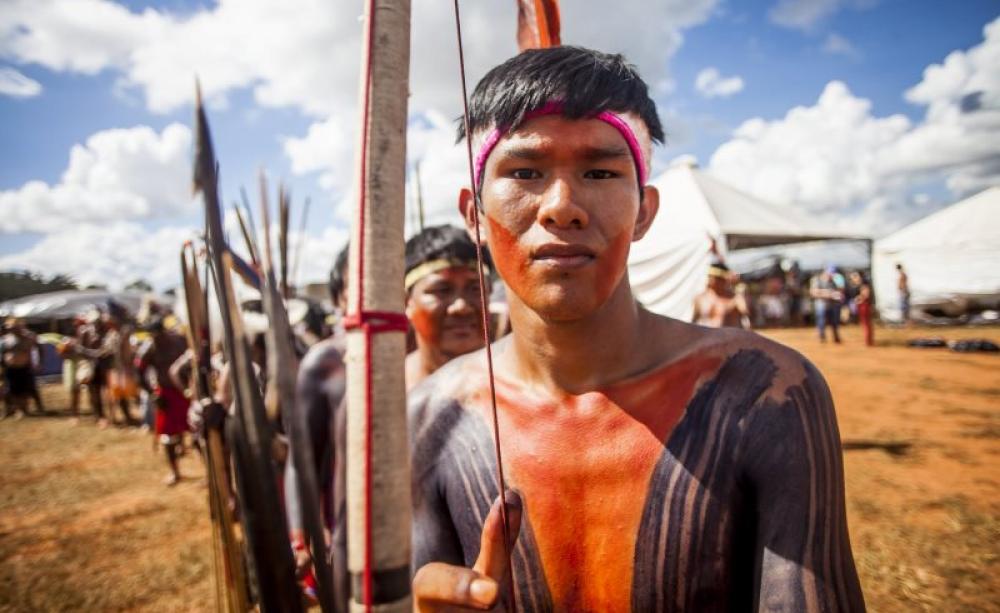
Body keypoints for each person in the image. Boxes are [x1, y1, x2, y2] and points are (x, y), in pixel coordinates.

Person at [408, 46, 864, 611]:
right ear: (474, 213)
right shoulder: (433, 415)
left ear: (645, 212)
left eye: (599, 172)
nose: (562, 207)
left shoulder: (765, 395)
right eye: (524, 171)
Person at [404, 225, 492, 389]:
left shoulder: (523, 384)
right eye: (442, 291)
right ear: (406, 302)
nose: (461, 307)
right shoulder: (388, 392)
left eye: (475, 289)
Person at [135, 316, 190, 486]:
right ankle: (175, 472)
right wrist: (152, 394)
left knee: (198, 433)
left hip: (185, 391)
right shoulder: (149, 348)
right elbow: (139, 372)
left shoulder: (180, 341)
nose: (156, 337)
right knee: (168, 436)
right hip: (165, 394)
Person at [1, 317, 44, 418]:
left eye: (15, 327)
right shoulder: (6, 339)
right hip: (10, 368)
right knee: (11, 389)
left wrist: (39, 362)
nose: (12, 329)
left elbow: (39, 349)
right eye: (10, 327)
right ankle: (13, 409)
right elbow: (2, 354)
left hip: (24, 367)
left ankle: (23, 410)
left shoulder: (29, 337)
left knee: (25, 390)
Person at [692, 260, 751, 329]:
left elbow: (747, 320)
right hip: (708, 338)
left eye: (713, 277)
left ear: (722, 279)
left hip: (731, 337)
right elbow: (694, 323)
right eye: (709, 276)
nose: (710, 279)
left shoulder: (735, 299)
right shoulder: (701, 298)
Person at [810, 266, 845, 344]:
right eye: (830, 273)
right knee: (821, 322)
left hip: (832, 305)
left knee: (834, 322)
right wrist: (827, 293)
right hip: (821, 304)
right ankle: (822, 337)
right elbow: (813, 292)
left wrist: (837, 295)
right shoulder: (817, 280)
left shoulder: (833, 281)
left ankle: (836, 337)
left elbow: (839, 292)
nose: (831, 275)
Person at [851, 271, 874, 347]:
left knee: (866, 324)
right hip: (864, 305)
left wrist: (857, 299)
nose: (854, 279)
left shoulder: (863, 284)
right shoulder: (862, 284)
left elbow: (866, 294)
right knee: (866, 324)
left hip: (864, 306)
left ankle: (868, 341)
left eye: (855, 277)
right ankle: (868, 340)